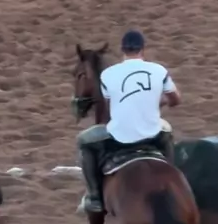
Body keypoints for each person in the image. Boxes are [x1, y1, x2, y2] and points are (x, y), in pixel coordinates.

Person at [77, 30, 181, 213]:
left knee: (83, 141)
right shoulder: (159, 70)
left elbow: (110, 108)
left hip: (120, 136)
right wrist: (157, 101)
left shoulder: (108, 75)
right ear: (142, 49)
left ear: (123, 50)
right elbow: (175, 100)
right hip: (152, 134)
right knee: (168, 131)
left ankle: (94, 196)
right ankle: (175, 178)